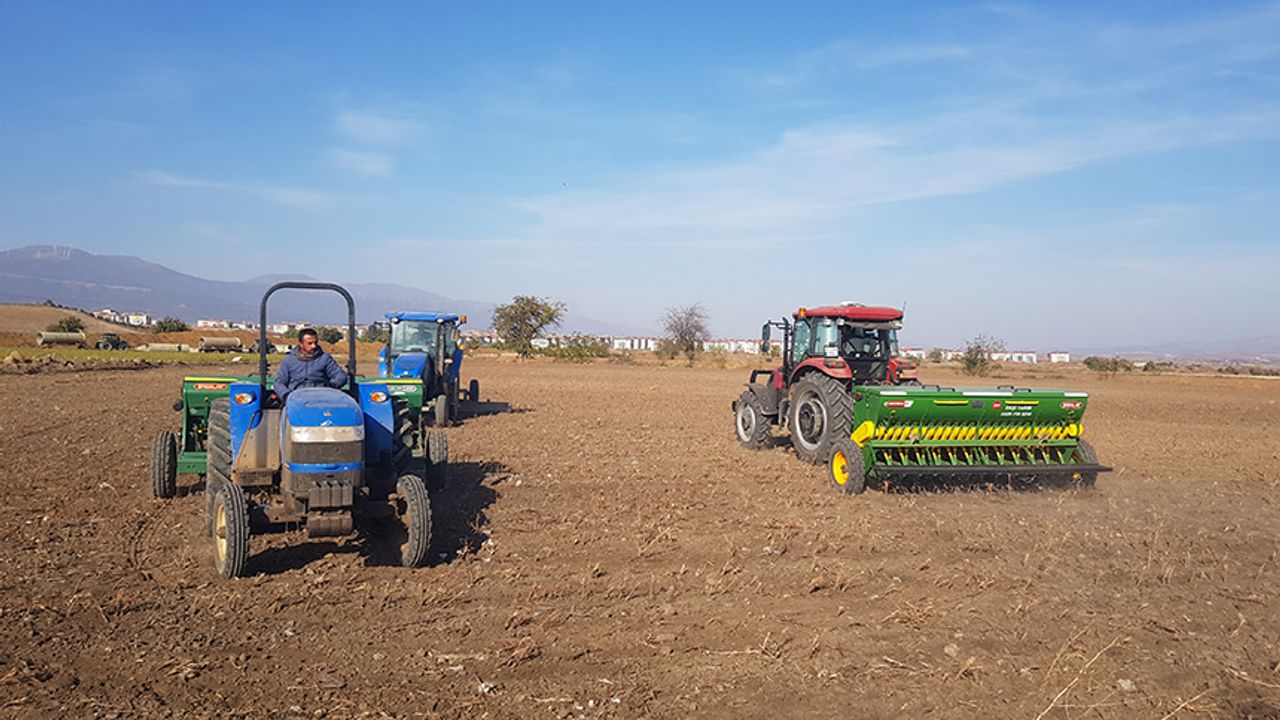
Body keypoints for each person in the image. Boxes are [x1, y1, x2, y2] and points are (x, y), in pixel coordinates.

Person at [272, 328, 348, 401]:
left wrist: (331, 386)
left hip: (321, 396)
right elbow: (279, 382)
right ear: (301, 344)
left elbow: (341, 375)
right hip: (296, 397)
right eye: (310, 343)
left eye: (315, 342)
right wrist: (285, 395)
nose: (313, 346)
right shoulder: (289, 360)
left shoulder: (325, 358)